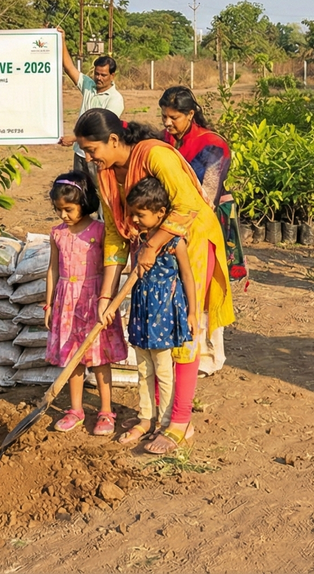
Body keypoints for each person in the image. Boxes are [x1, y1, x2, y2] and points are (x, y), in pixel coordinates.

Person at [74, 109, 234, 456]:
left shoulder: (155, 155)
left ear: (113, 140)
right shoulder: (104, 176)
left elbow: (188, 205)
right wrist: (106, 295)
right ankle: (151, 418)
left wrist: (154, 243)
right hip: (150, 254)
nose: (88, 158)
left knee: (184, 333)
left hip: (188, 244)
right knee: (152, 341)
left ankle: (180, 422)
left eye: (91, 150)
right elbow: (117, 234)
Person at [161, 86, 244, 373]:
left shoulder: (212, 145)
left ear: (190, 114)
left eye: (173, 117)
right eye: (164, 117)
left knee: (201, 288)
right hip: (173, 223)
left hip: (201, 224)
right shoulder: (167, 140)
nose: (167, 123)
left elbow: (207, 193)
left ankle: (206, 356)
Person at [114, 176, 197, 449]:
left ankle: (165, 422)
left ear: (161, 213)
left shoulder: (175, 243)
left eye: (141, 214)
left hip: (163, 314)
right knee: (142, 369)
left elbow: (187, 277)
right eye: (132, 214)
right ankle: (145, 417)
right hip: (141, 310)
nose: (135, 219)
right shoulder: (140, 240)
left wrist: (192, 313)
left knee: (163, 370)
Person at [45, 173, 126, 436]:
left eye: (68, 209)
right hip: (67, 301)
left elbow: (112, 265)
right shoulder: (57, 234)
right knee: (73, 358)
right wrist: (49, 304)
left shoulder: (101, 230)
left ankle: (105, 411)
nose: (63, 215)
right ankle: (76, 409)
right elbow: (53, 270)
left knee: (100, 358)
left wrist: (109, 300)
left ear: (85, 202)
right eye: (59, 210)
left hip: (94, 299)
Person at [58, 32, 124, 179]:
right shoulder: (88, 85)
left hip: (98, 156)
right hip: (80, 152)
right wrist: (62, 40)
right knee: (81, 193)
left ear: (112, 76)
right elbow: (68, 66)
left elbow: (101, 128)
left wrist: (74, 138)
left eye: (103, 75)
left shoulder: (115, 99)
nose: (99, 78)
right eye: (97, 74)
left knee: (99, 195)